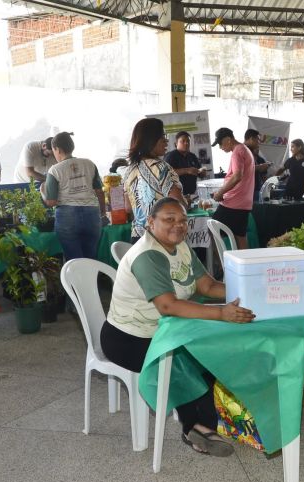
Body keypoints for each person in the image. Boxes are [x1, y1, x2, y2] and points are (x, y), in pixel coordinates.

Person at [101, 197, 254, 455]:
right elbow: (168, 306)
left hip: (164, 330)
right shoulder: (148, 255)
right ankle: (198, 428)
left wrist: (252, 291)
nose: (178, 225)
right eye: (169, 219)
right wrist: (221, 314)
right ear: (150, 222)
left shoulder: (180, 246)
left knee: (208, 350)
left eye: (183, 220)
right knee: (187, 359)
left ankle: (205, 425)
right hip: (128, 338)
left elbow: (207, 286)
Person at [42, 132, 106, 261]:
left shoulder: (54, 170)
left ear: (57, 149)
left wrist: (42, 191)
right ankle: (92, 281)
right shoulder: (89, 164)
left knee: (74, 260)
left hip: (67, 216)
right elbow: (99, 191)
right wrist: (102, 212)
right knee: (91, 258)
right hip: (92, 214)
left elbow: (51, 202)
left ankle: (77, 281)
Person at [123, 118, 186, 242]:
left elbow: (128, 208)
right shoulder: (161, 168)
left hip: (138, 238)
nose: (166, 140)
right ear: (150, 139)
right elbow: (178, 204)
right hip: (162, 237)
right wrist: (185, 201)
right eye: (162, 135)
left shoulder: (129, 170)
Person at [211, 127, 255, 249]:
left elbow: (237, 176)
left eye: (220, 143)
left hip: (233, 202)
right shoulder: (244, 149)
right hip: (243, 202)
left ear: (228, 139)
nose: (220, 147)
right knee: (240, 236)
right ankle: (242, 266)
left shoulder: (237, 152)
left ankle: (220, 265)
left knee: (211, 230)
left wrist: (220, 192)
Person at [164, 131, 206, 196]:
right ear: (176, 144)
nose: (186, 143)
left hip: (191, 194)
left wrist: (202, 172)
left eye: (188, 141)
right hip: (175, 196)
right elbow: (166, 173)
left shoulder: (192, 156)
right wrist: (186, 170)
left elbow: (199, 171)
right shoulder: (170, 156)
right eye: (183, 141)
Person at [243, 128, 270, 201]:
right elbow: (241, 170)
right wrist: (260, 167)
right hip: (246, 190)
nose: (259, 142)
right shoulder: (242, 150)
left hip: (255, 188)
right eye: (257, 140)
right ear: (251, 139)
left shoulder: (249, 152)